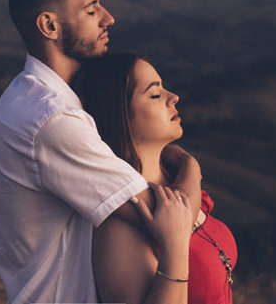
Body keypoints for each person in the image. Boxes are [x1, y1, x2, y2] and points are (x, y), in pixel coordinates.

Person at [0, 0, 202, 304]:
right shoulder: (53, 120)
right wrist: (191, 167)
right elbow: (170, 218)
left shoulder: (30, 96)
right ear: (49, 25)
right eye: (91, 11)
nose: (108, 18)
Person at [73, 52, 238, 304]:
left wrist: (190, 167)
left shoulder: (180, 182)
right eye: (155, 95)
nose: (173, 97)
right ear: (120, 115)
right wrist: (174, 245)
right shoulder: (120, 227)